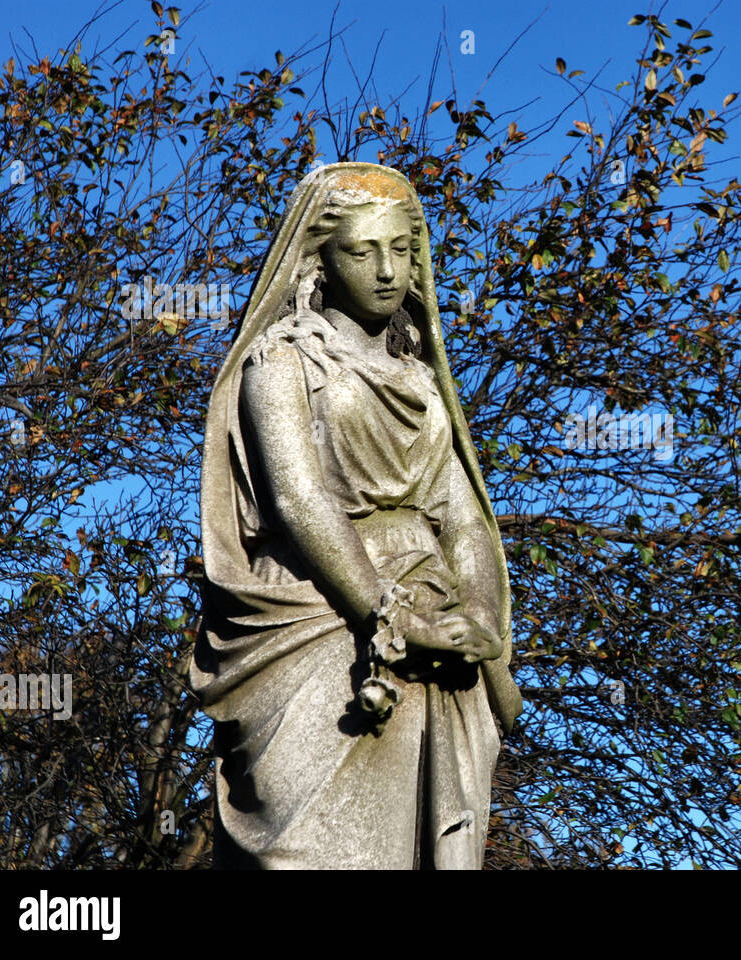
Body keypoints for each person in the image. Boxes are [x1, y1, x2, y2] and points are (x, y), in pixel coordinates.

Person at [191, 162, 521, 869]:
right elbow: (299, 499)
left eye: (401, 250)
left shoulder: (421, 381)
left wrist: (481, 623)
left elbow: (464, 520)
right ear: (319, 260)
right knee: (298, 853)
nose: (386, 270)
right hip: (318, 617)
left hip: (435, 633)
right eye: (362, 251)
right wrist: (390, 616)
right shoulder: (281, 362)